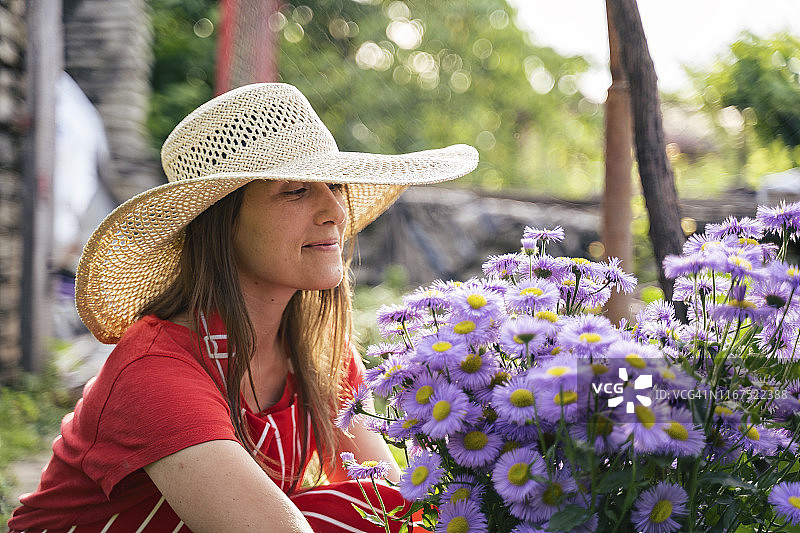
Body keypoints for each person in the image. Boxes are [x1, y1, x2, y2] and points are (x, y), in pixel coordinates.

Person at [8, 83, 478, 533]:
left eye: (334, 184)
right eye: (295, 190)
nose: (334, 210)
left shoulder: (320, 353)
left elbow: (391, 502)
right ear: (223, 223)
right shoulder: (157, 371)